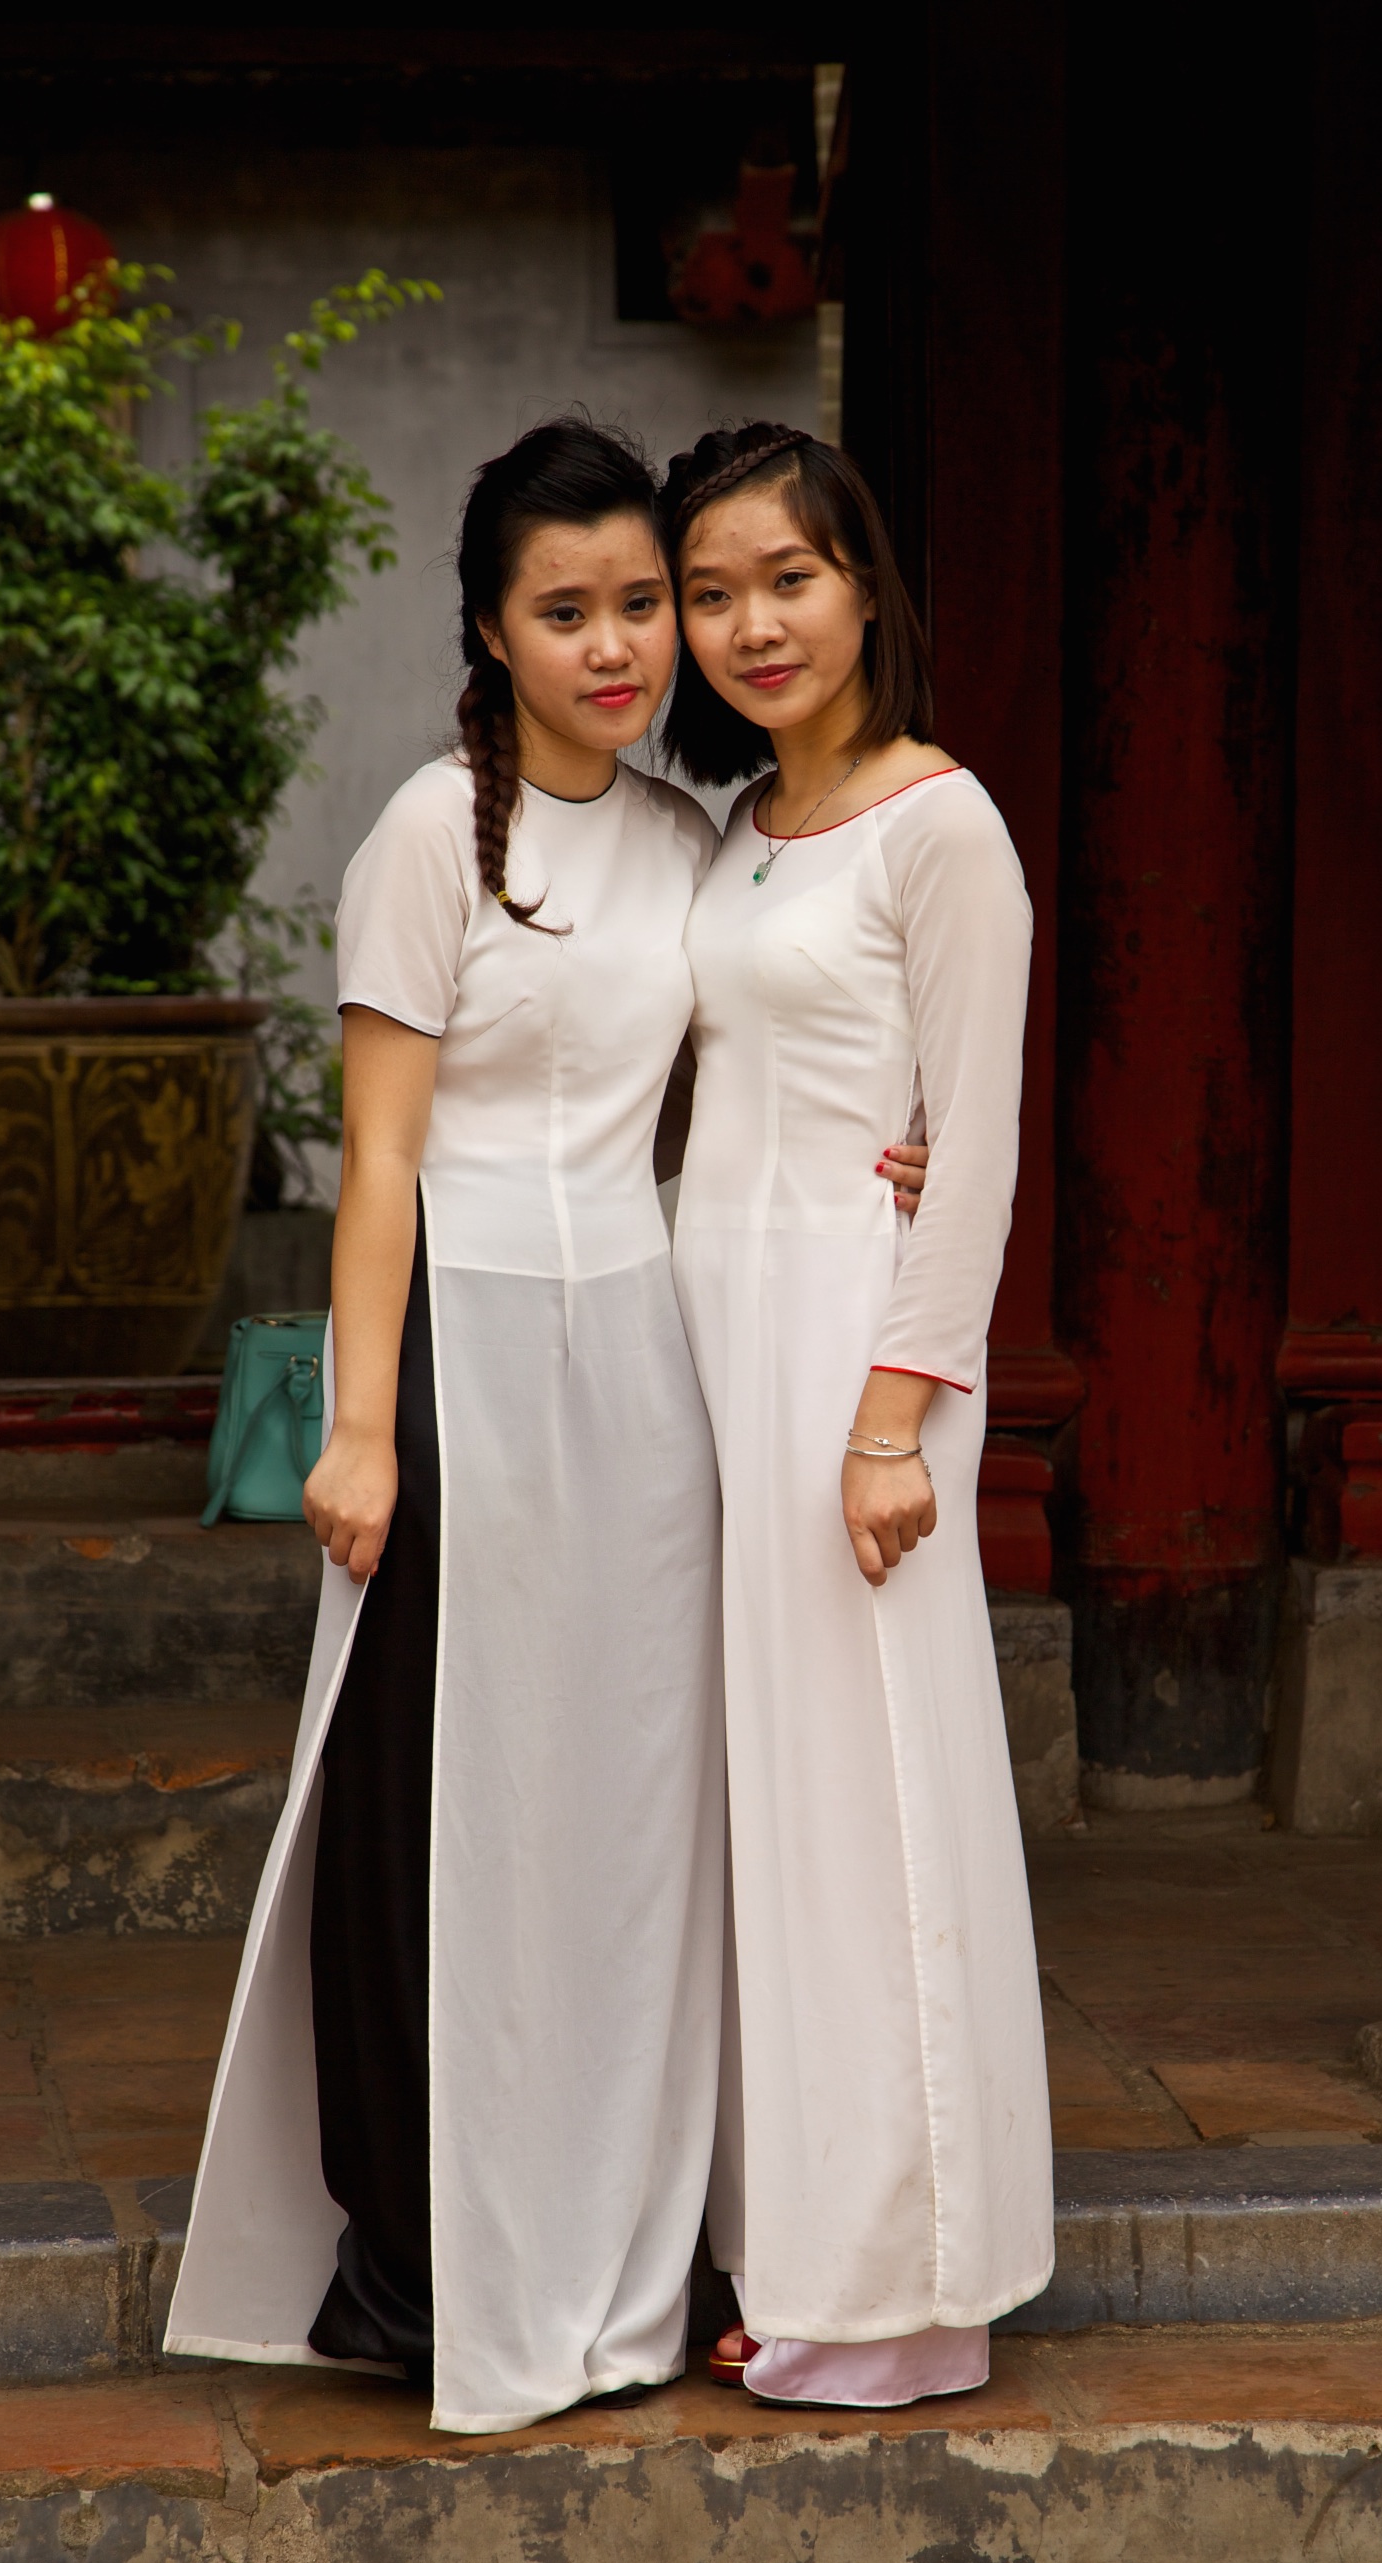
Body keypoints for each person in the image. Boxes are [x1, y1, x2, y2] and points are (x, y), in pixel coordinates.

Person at [166, 419, 930, 2434]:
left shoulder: (693, 843)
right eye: (565, 612)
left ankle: (627, 2243)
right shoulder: (435, 835)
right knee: (446, 1802)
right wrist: (359, 1427)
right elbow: (379, 1160)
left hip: (654, 1365)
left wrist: (903, 1155)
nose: (619, 650)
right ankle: (434, 2257)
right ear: (491, 632)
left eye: (636, 609)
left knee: (631, 1808)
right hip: (462, 1351)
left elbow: (774, 1061)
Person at [662, 422, 1053, 2407]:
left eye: (785, 580)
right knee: (769, 1821)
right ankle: (787, 2244)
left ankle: (907, 2280)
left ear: (865, 586)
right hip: (723, 1347)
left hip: (856, 1360)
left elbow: (969, 1149)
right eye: (712, 591)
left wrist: (896, 1415)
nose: (750, 625)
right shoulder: (735, 833)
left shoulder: (939, 823)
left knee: (877, 1807)